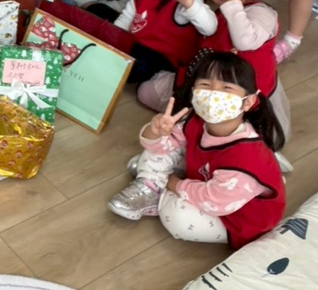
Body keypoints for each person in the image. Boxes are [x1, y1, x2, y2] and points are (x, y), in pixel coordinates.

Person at [108, 53, 286, 249]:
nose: (213, 94)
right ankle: (152, 184)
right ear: (194, 91)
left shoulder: (246, 159)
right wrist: (155, 131)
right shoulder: (197, 120)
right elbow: (165, 145)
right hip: (207, 178)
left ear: (248, 102)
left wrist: (171, 182)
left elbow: (213, 201)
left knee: (178, 218)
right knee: (164, 143)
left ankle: (154, 184)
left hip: (235, 219)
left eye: (226, 88)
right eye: (205, 85)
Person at [173, 0, 291, 140]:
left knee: (229, 135)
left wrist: (233, 2)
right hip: (212, 87)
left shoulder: (262, 12)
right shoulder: (222, 13)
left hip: (244, 99)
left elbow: (244, 41)